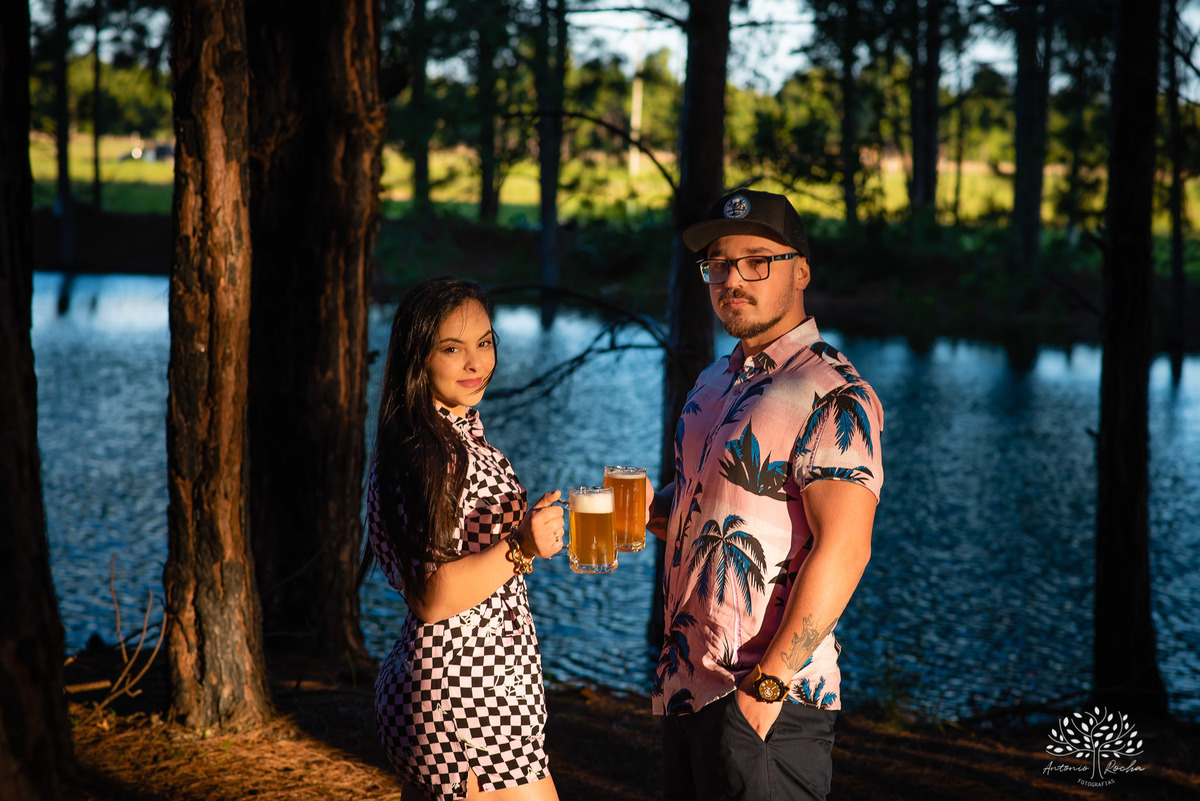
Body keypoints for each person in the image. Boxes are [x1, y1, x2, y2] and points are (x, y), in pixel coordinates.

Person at [646, 189, 884, 801]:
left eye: (757, 260)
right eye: (720, 264)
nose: (733, 278)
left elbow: (845, 548)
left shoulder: (833, 392)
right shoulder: (712, 382)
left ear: (801, 271)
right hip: (685, 686)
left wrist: (765, 691)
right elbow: (710, 508)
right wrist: (645, 510)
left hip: (768, 702)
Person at [361, 276, 565, 801]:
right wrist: (520, 546)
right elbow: (430, 596)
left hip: (482, 686)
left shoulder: (452, 435)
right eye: (453, 349)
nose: (477, 364)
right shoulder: (427, 452)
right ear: (418, 357)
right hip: (465, 697)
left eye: (485, 343)